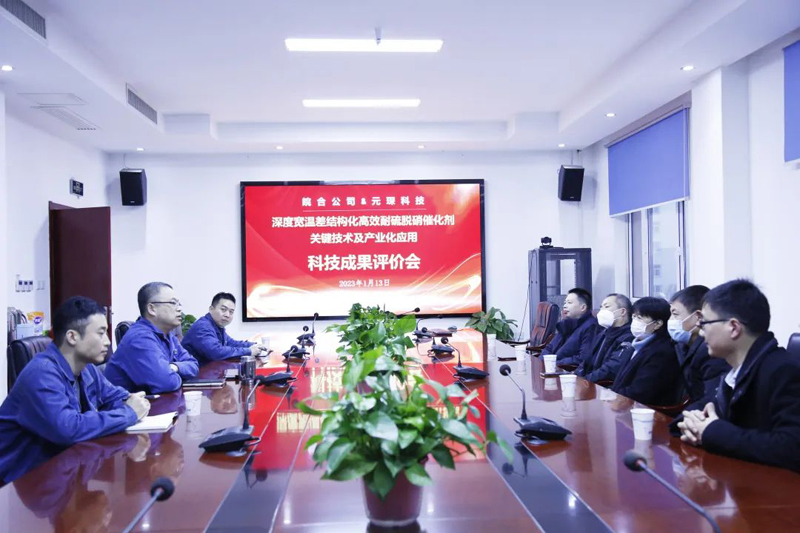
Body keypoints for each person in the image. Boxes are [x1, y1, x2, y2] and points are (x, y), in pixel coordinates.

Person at [0, 296, 149, 484]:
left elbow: (118, 397)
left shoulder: (87, 369)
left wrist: (130, 403)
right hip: (19, 483)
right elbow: (68, 429)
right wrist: (129, 413)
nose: (107, 342)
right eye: (101, 333)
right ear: (72, 337)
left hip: (62, 473)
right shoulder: (41, 374)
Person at [676, 279, 800, 472]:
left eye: (705, 323)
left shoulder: (782, 371)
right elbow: (701, 412)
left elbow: (791, 448)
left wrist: (711, 431)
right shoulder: (735, 370)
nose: (701, 333)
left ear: (733, 328)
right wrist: (691, 423)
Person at [105, 282, 199, 393]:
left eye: (179, 304)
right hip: (128, 403)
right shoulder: (140, 338)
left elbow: (193, 365)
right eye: (173, 303)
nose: (179, 309)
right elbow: (166, 382)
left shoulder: (167, 334)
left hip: (155, 400)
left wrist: (174, 367)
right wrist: (178, 373)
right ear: (152, 309)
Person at [611, 297, 681, 406]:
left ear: (657, 324)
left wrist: (612, 398)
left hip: (644, 410)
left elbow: (640, 392)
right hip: (622, 403)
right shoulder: (636, 345)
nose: (635, 321)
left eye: (639, 318)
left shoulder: (661, 352)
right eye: (634, 316)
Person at [668, 285, 729, 405]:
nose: (670, 320)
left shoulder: (710, 350)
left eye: (675, 314)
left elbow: (711, 400)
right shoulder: (681, 345)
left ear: (698, 317)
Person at [182, 292, 263, 363]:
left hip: (209, 371)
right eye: (223, 309)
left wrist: (255, 345)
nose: (227, 315)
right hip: (196, 374)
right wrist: (249, 351)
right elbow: (215, 352)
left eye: (231, 312)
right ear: (211, 309)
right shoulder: (203, 327)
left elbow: (232, 343)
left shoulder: (217, 326)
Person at [576, 293, 634, 383]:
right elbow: (586, 361)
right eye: (601, 307)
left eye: (606, 307)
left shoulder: (628, 338)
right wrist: (575, 377)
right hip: (588, 382)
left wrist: (583, 381)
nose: (601, 311)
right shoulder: (603, 333)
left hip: (603, 386)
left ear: (622, 312)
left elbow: (610, 369)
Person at [542, 288, 597, 366]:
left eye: (569, 303)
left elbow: (582, 359)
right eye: (565, 303)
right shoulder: (566, 324)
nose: (565, 306)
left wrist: (554, 363)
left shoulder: (591, 326)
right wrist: (542, 360)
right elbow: (549, 348)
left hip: (566, 370)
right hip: (552, 367)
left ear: (583, 307)